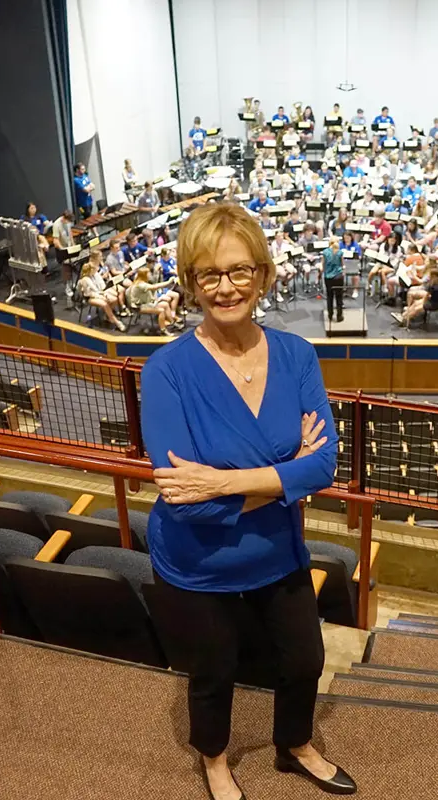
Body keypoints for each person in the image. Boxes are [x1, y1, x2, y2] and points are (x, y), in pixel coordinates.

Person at [139, 202, 354, 800]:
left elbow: (325, 464)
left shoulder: (295, 355)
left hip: (276, 552)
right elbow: (187, 503)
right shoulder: (166, 371)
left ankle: (295, 744)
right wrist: (286, 477)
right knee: (214, 673)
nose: (225, 287)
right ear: (190, 283)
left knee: (304, 659)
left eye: (238, 271)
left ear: (262, 274)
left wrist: (226, 481)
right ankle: (214, 761)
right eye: (209, 274)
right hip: (197, 561)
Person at [77, 256, 125, 331]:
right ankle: (116, 322)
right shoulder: (85, 280)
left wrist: (105, 294)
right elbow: (89, 293)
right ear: (90, 270)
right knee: (104, 304)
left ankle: (107, 315)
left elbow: (102, 286)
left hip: (99, 292)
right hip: (90, 297)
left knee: (114, 299)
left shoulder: (96, 274)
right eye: (95, 269)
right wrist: (101, 296)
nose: (97, 270)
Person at [128, 266, 178, 335]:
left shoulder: (142, 282)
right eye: (148, 274)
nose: (150, 275)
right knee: (161, 311)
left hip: (146, 303)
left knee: (165, 304)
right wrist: (168, 282)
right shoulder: (140, 285)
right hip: (139, 306)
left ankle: (172, 323)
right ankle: (163, 330)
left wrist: (157, 300)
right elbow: (155, 287)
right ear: (144, 275)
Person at [322, 235, 345, 324]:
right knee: (339, 297)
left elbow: (323, 264)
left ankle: (330, 315)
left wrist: (323, 274)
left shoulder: (325, 252)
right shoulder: (340, 252)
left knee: (329, 296)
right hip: (338, 277)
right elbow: (342, 265)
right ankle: (339, 316)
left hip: (328, 277)